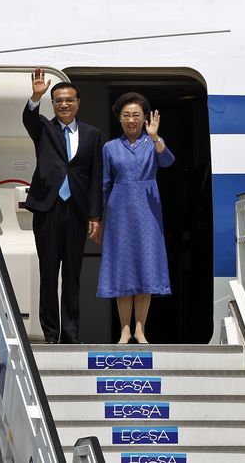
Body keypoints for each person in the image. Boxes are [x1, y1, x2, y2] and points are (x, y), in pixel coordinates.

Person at [23, 68, 103, 344]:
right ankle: (51, 334)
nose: (64, 105)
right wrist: (35, 96)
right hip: (48, 208)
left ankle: (70, 335)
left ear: (78, 103)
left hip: (77, 212)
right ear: (53, 104)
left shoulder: (92, 135)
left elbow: (95, 177)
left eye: (69, 100)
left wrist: (95, 215)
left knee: (72, 276)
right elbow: (29, 119)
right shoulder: (44, 128)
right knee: (48, 274)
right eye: (58, 101)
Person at [97, 92, 175, 344]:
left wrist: (155, 138)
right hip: (119, 212)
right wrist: (97, 218)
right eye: (126, 115)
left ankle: (141, 329)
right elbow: (104, 184)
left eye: (136, 115)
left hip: (147, 210)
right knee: (122, 269)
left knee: (146, 267)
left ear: (145, 119)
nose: (131, 120)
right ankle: (125, 329)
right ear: (119, 118)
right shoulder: (110, 147)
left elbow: (168, 162)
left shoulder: (152, 143)